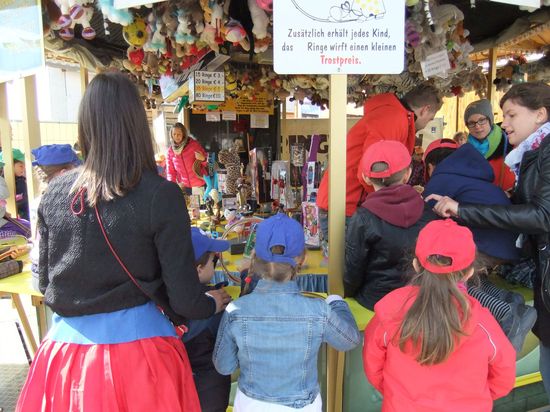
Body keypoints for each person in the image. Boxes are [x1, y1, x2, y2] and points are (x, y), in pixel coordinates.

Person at [16, 72, 231, 411]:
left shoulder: (55, 192)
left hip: (64, 360)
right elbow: (185, 299)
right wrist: (212, 304)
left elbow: (44, 282)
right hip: (140, 360)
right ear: (137, 125)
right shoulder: (161, 194)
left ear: (86, 125)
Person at [427, 82, 550, 402]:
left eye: (511, 115)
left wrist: (463, 209)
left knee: (459, 273)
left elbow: (542, 215)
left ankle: (508, 314)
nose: (503, 123)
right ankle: (510, 310)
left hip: (537, 257)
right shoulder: (533, 153)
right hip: (537, 260)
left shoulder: (545, 153)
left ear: (540, 114)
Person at [213, 213, 361, 411]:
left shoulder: (236, 312)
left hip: (251, 403)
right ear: (302, 258)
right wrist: (336, 303)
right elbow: (349, 340)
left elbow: (224, 366)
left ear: (254, 257)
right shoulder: (317, 311)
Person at [363, 219, 516, 411]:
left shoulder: (390, 312)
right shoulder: (483, 324)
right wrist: (475, 399)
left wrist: (398, 396)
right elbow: (504, 378)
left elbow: (373, 367)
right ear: (470, 273)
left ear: (416, 265)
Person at [423, 138, 536, 352]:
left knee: (448, 277)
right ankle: (509, 300)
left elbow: (425, 222)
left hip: (489, 246)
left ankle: (505, 312)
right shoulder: (472, 175)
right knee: (469, 272)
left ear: (430, 166)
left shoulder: (441, 178)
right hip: (509, 245)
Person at [316, 83, 442, 240]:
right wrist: (390, 202)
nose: (425, 126)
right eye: (430, 120)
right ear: (425, 110)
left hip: (345, 202)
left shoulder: (393, 115)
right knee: (351, 264)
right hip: (346, 204)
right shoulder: (394, 119)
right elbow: (372, 169)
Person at [345, 140, 435, 310]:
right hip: (418, 300)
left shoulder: (363, 217)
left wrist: (348, 293)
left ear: (366, 177)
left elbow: (353, 269)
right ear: (407, 174)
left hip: (374, 301)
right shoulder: (429, 212)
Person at [185, 227, 231, 412]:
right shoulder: (216, 307)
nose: (216, 264)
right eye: (215, 260)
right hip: (210, 394)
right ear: (199, 269)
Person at [28, 144, 81, 291]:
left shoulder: (37, 201)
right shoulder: (66, 202)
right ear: (64, 174)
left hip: (36, 270)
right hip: (54, 277)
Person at [464, 99, 515, 192]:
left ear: (490, 120)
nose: (477, 126)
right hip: (479, 201)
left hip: (510, 200)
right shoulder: (465, 151)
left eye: (482, 120)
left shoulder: (511, 140)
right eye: (471, 123)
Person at [166, 122, 207, 194]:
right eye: (174, 134)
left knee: (200, 205)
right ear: (171, 135)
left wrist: (203, 159)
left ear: (184, 134)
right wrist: (171, 187)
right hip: (183, 187)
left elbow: (208, 163)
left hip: (198, 185)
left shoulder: (193, 145)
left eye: (179, 134)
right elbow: (170, 172)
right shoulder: (170, 151)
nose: (176, 136)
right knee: (186, 205)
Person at [0, 148, 29, 220]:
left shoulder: (21, 179)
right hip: (14, 215)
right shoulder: (3, 182)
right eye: (21, 166)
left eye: (24, 166)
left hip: (24, 212)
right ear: (9, 165)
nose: (24, 169)